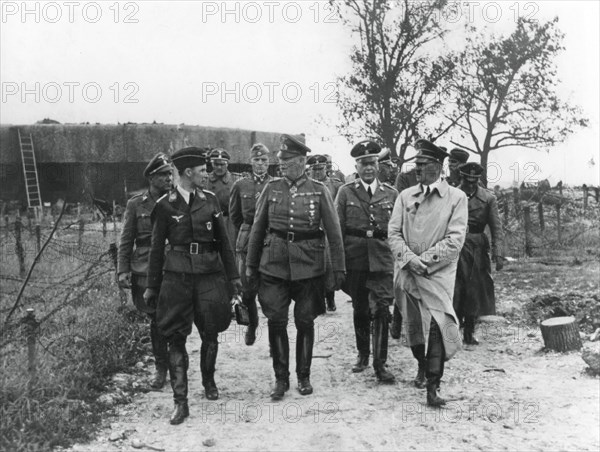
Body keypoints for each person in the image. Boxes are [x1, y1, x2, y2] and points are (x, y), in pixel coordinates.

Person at [143, 147, 242, 425]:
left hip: (210, 276)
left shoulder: (210, 201)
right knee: (176, 336)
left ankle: (209, 382)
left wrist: (234, 279)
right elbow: (155, 250)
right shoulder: (164, 205)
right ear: (188, 173)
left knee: (211, 331)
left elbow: (224, 243)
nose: (206, 175)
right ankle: (180, 402)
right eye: (201, 171)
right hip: (177, 278)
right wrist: (152, 286)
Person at [246, 134, 346, 400]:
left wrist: (338, 270)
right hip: (274, 264)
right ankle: (281, 379)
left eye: (287, 161)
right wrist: (250, 266)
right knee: (276, 320)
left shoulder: (319, 190)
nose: (281, 165)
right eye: (280, 161)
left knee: (305, 320)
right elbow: (257, 229)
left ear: (301, 162)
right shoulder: (271, 188)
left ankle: (303, 375)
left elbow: (334, 234)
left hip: (309, 266)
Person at [388, 139, 468, 407]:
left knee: (438, 324)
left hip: (438, 274)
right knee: (414, 328)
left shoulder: (457, 198)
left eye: (422, 164)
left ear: (437, 166)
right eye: (416, 164)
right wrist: (410, 260)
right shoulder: (405, 196)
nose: (417, 169)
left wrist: (425, 261)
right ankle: (421, 365)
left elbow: (455, 240)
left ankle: (433, 386)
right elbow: (394, 233)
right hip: (408, 273)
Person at [335, 142, 398, 383]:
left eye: (372, 163)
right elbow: (337, 229)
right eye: (363, 164)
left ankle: (380, 363)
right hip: (356, 259)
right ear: (356, 166)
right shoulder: (345, 192)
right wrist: (337, 263)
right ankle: (363, 354)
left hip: (382, 258)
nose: (368, 168)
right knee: (360, 309)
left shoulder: (391, 194)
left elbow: (398, 230)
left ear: (378, 165)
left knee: (381, 309)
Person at [117, 153, 173, 390]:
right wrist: (122, 270)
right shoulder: (136, 204)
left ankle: (176, 362)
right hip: (146, 267)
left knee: (174, 318)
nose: (169, 178)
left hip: (174, 266)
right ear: (152, 177)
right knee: (157, 319)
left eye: (170, 173)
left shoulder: (179, 200)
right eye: (163, 175)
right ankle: (162, 368)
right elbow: (126, 239)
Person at [453, 162, 504, 345]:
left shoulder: (488, 199)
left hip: (477, 247)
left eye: (475, 181)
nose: (471, 185)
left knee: (474, 288)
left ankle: (469, 331)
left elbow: (496, 227)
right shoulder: (452, 195)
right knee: (456, 288)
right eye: (468, 181)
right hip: (455, 246)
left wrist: (498, 253)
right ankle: (453, 329)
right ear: (462, 178)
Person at [229, 143, 272, 346]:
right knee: (247, 290)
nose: (260, 164)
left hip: (270, 240)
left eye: (264, 160)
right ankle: (252, 325)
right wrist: (248, 231)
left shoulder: (275, 184)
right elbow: (235, 216)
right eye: (257, 160)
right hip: (246, 240)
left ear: (269, 162)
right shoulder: (240, 186)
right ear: (251, 162)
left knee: (272, 292)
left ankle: (275, 336)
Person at [307, 154, 344, 312]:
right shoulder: (306, 185)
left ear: (325, 169)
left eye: (320, 169)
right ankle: (317, 299)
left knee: (328, 266)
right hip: (311, 231)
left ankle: (330, 296)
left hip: (328, 231)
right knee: (314, 265)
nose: (317, 172)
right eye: (314, 169)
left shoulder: (334, 185)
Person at [207, 148, 242, 240]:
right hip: (210, 221)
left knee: (229, 248)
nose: (219, 167)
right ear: (211, 164)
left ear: (227, 164)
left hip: (229, 221)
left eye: (222, 164)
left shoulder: (236, 180)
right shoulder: (205, 180)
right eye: (216, 164)